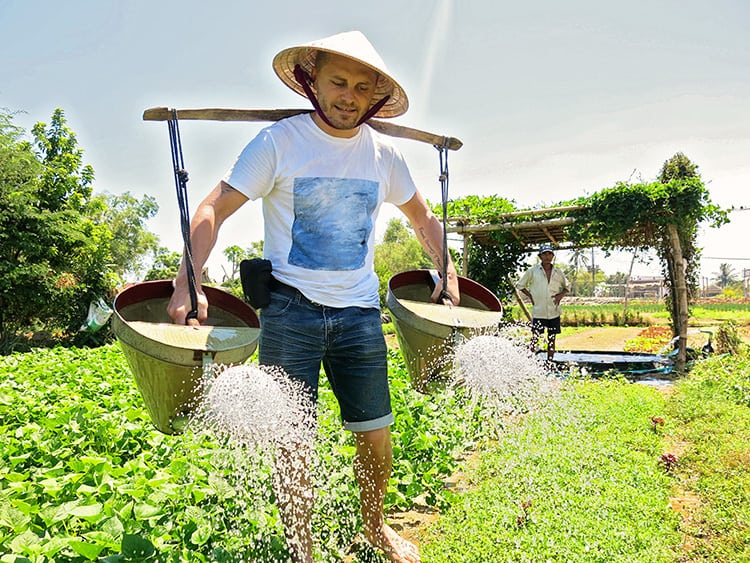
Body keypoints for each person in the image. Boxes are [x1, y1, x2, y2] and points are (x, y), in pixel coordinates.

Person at [167, 30, 459, 563]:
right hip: (289, 313)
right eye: (338, 82)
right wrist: (189, 276)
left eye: (361, 87)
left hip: (359, 315)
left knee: (375, 434)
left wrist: (448, 265)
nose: (349, 96)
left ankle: (374, 527)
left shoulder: (385, 155)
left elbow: (421, 217)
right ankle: (301, 547)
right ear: (313, 82)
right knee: (292, 441)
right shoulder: (280, 142)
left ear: (375, 96)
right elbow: (211, 208)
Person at [516, 243, 570, 361]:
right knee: (535, 336)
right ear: (540, 256)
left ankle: (550, 361)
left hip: (554, 311)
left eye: (549, 254)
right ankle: (529, 361)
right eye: (544, 254)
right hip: (539, 311)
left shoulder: (558, 272)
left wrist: (560, 295)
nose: (547, 256)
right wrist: (530, 296)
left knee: (552, 338)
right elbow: (520, 285)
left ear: (552, 256)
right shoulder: (533, 271)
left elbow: (567, 286)